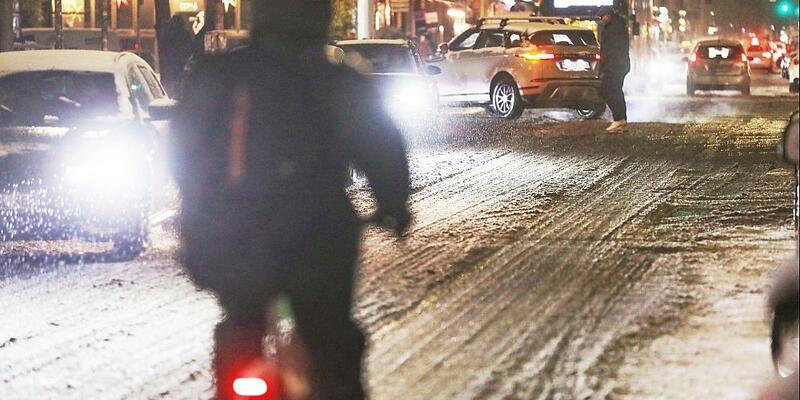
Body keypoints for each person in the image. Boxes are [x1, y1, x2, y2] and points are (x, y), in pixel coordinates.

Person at [169, 1, 411, 399]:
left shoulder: (220, 76)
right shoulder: (338, 80)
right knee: (331, 343)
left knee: (240, 327)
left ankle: (236, 377)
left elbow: (184, 152)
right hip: (319, 238)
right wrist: (392, 204)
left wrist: (201, 213)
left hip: (239, 239)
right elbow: (381, 148)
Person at [597, 6, 631, 134]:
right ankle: (620, 119)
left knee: (609, 90)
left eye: (602, 16)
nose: (602, 19)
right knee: (614, 90)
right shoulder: (617, 26)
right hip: (618, 65)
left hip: (615, 65)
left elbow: (610, 50)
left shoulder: (614, 28)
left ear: (608, 15)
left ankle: (619, 119)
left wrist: (604, 68)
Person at [156, 15, 193, 97]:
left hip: (171, 60)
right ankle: (178, 93)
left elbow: (164, 47)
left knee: (173, 78)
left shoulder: (168, 33)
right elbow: (189, 47)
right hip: (181, 60)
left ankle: (173, 93)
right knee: (179, 77)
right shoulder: (184, 33)